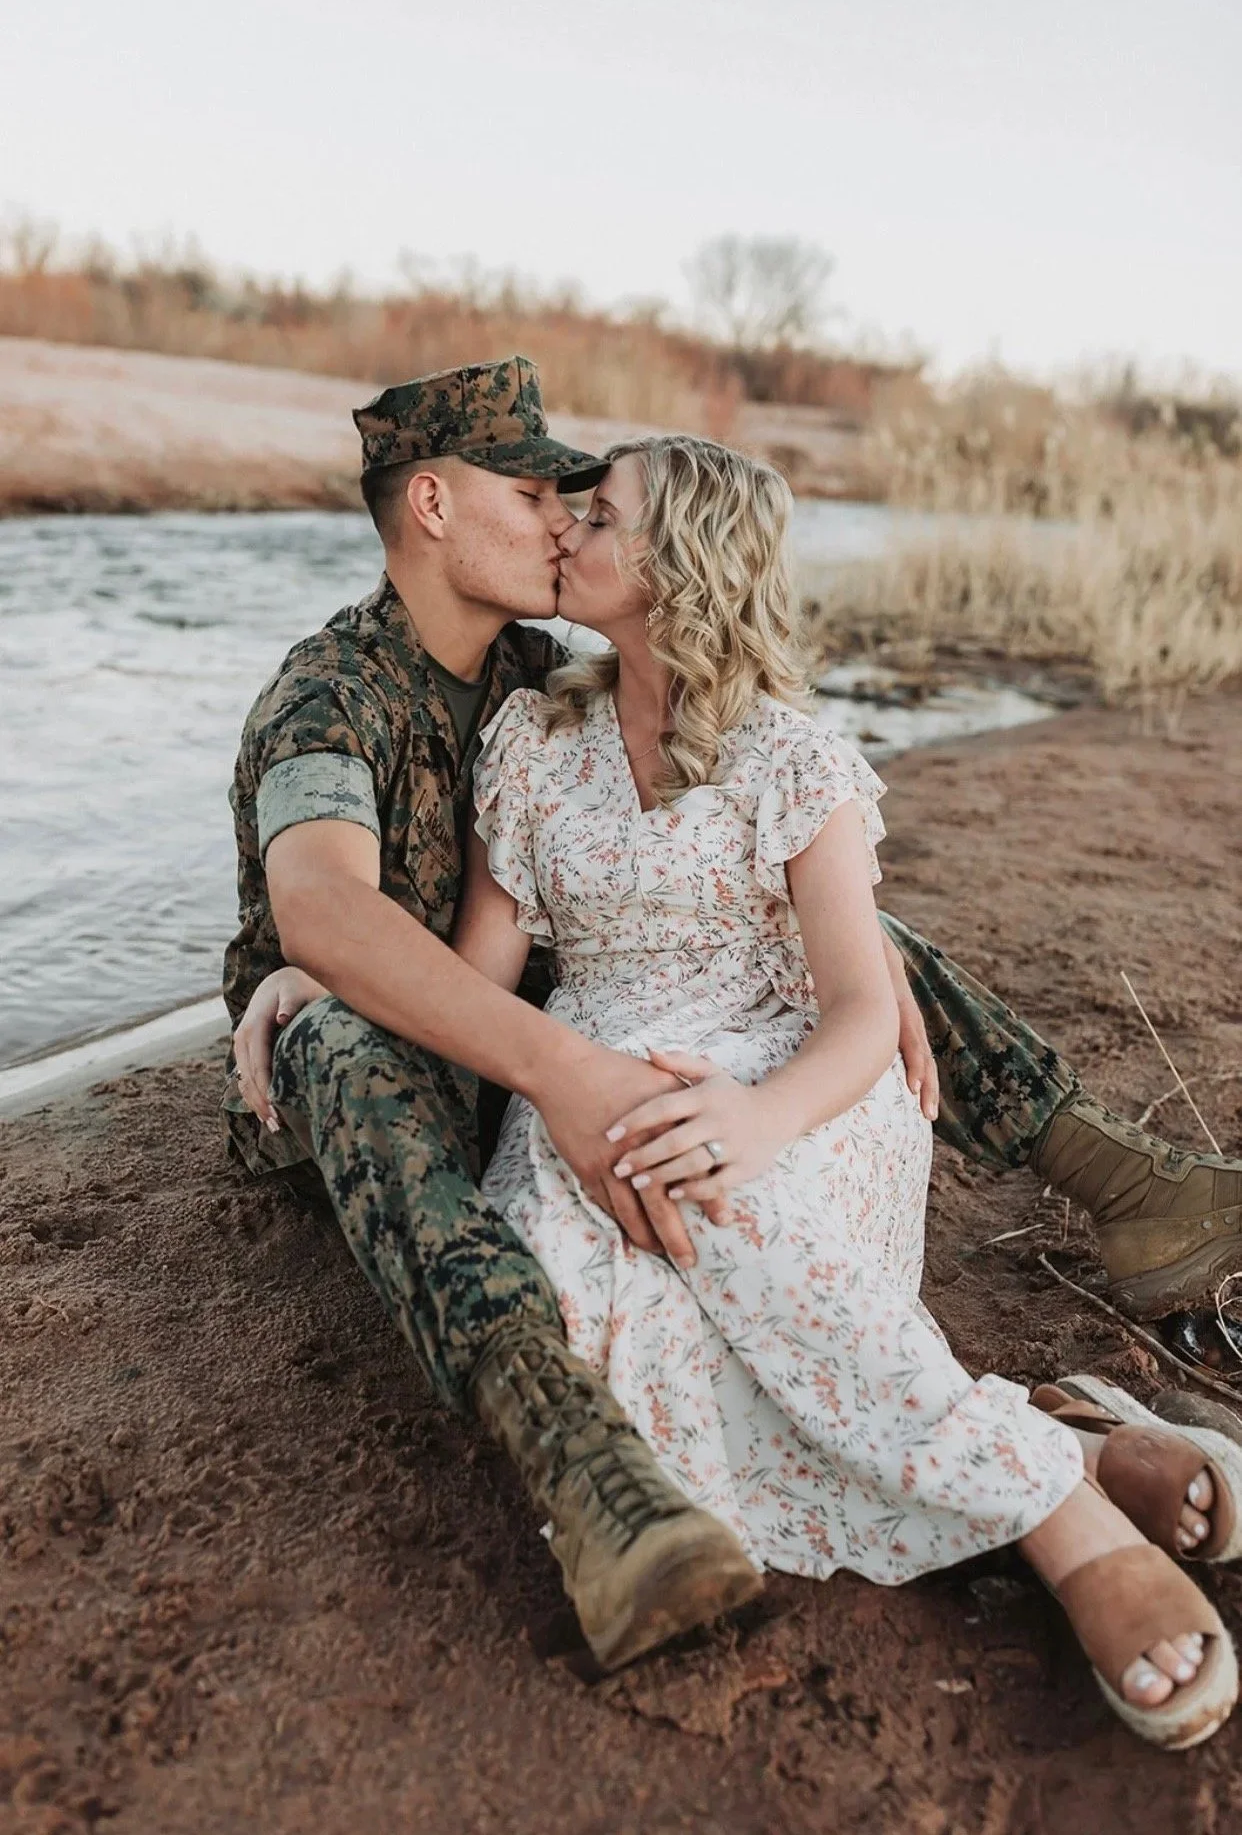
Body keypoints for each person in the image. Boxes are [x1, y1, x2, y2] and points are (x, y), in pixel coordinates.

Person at [225, 358, 1242, 1678]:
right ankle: (1050, 1455)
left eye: (584, 506)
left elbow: (740, 862)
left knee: (758, 1079)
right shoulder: (371, 701)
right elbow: (368, 924)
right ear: (429, 504)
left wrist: (847, 985)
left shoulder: (572, 674)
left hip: (699, 1053)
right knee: (467, 1129)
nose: (559, 518)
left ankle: (1071, 1465)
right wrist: (318, 965)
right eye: (536, 493)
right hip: (496, 1054)